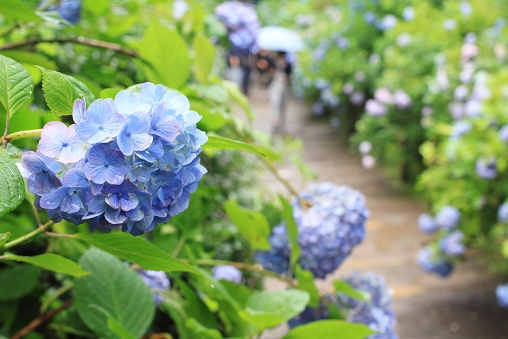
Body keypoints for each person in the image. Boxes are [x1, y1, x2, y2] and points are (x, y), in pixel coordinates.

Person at [268, 51, 292, 136]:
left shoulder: (288, 64)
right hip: (275, 87)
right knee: (275, 104)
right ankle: (275, 122)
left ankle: (282, 126)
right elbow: (269, 72)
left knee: (283, 107)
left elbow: (289, 76)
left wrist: (286, 77)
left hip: (284, 88)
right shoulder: (273, 62)